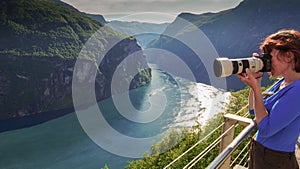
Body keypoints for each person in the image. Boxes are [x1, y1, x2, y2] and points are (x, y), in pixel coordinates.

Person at [237, 29, 300, 169]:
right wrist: (257, 81)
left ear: (288, 56)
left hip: (275, 159)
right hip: (262, 153)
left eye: (269, 57)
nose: (266, 63)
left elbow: (266, 129)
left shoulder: (298, 90)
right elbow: (254, 111)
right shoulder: (283, 82)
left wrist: (256, 88)